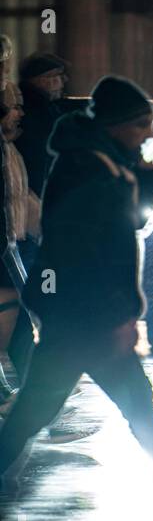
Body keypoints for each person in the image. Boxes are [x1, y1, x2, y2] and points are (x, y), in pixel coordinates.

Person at [0, 75, 153, 521]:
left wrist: (146, 177)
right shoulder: (89, 168)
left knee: (50, 409)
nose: (149, 135)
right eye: (142, 125)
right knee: (118, 408)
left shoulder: (101, 161)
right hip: (86, 318)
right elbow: (91, 251)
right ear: (116, 124)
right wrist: (117, 316)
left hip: (80, 316)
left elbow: (130, 223)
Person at [0, 83, 41, 398]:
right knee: (21, 325)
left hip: (12, 243)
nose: (20, 114)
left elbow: (24, 200)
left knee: (21, 325)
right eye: (14, 107)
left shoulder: (10, 150)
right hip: (5, 247)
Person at [16, 52, 68, 196]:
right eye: (57, 75)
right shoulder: (32, 111)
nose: (63, 80)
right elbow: (39, 157)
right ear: (40, 80)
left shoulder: (46, 107)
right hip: (36, 193)